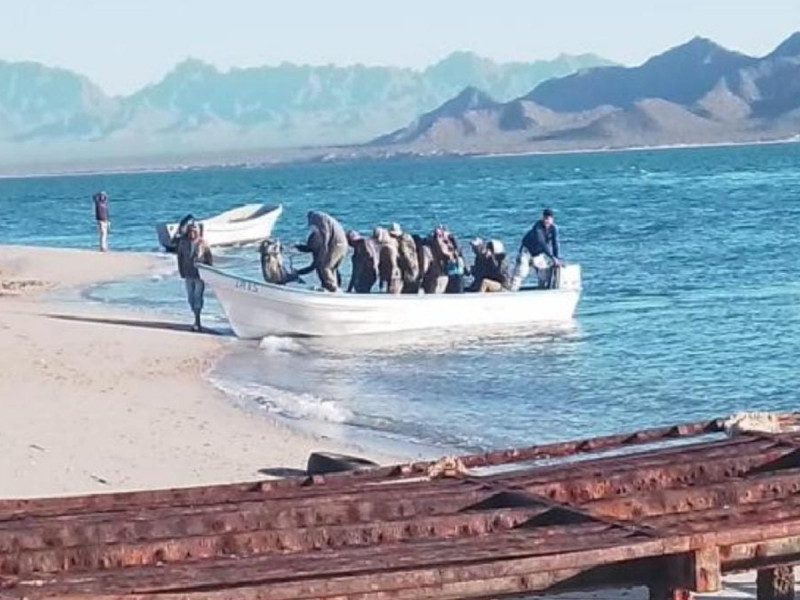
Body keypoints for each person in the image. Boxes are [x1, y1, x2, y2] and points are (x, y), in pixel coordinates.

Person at [295, 211, 348, 292]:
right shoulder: (318, 248)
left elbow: (325, 233)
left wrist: (325, 247)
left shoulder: (317, 217)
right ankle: (331, 288)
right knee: (329, 268)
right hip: (342, 244)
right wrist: (297, 272)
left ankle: (334, 289)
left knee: (325, 267)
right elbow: (312, 266)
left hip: (336, 243)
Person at [176, 221, 213, 332]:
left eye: (194, 231)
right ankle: (196, 317)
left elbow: (209, 259)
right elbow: (180, 258)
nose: (192, 233)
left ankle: (197, 321)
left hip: (200, 275)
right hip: (188, 273)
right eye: (190, 231)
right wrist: (181, 271)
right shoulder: (183, 243)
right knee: (190, 298)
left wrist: (210, 273)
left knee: (198, 297)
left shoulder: (203, 243)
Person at [516, 208, 564, 289]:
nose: (546, 221)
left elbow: (555, 244)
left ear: (552, 219)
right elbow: (542, 242)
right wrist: (552, 257)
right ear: (542, 218)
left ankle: (542, 290)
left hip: (538, 254)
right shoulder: (538, 227)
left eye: (548, 219)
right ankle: (513, 290)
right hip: (527, 252)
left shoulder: (553, 229)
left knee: (544, 275)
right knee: (522, 272)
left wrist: (557, 258)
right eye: (545, 218)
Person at [389, 223, 420, 294]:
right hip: (413, 266)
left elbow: (406, 255)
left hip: (409, 269)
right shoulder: (407, 238)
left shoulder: (403, 242)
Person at [376, 227, 403, 294]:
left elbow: (381, 263)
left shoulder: (384, 247)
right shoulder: (394, 244)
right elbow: (394, 262)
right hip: (393, 270)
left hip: (386, 269)